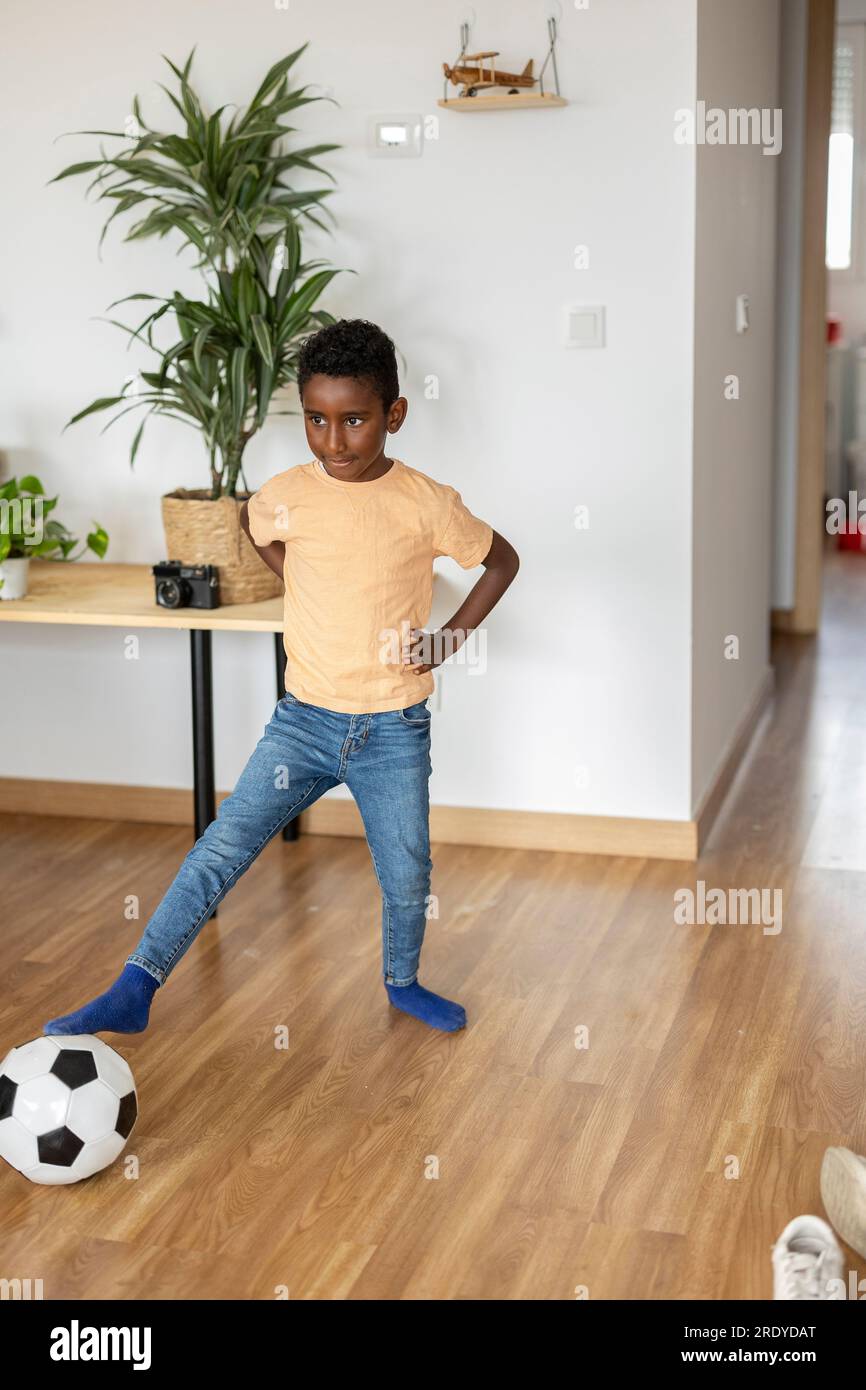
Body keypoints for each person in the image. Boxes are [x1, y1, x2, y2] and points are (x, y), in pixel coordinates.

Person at [44, 318, 520, 1037]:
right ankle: (135, 986)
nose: (335, 441)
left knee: (407, 873)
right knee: (222, 846)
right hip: (302, 723)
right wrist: (298, 579)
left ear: (394, 414)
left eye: (355, 420)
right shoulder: (288, 491)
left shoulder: (425, 501)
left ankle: (403, 982)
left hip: (392, 725)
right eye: (317, 420)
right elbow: (253, 523)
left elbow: (501, 560)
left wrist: (448, 640)